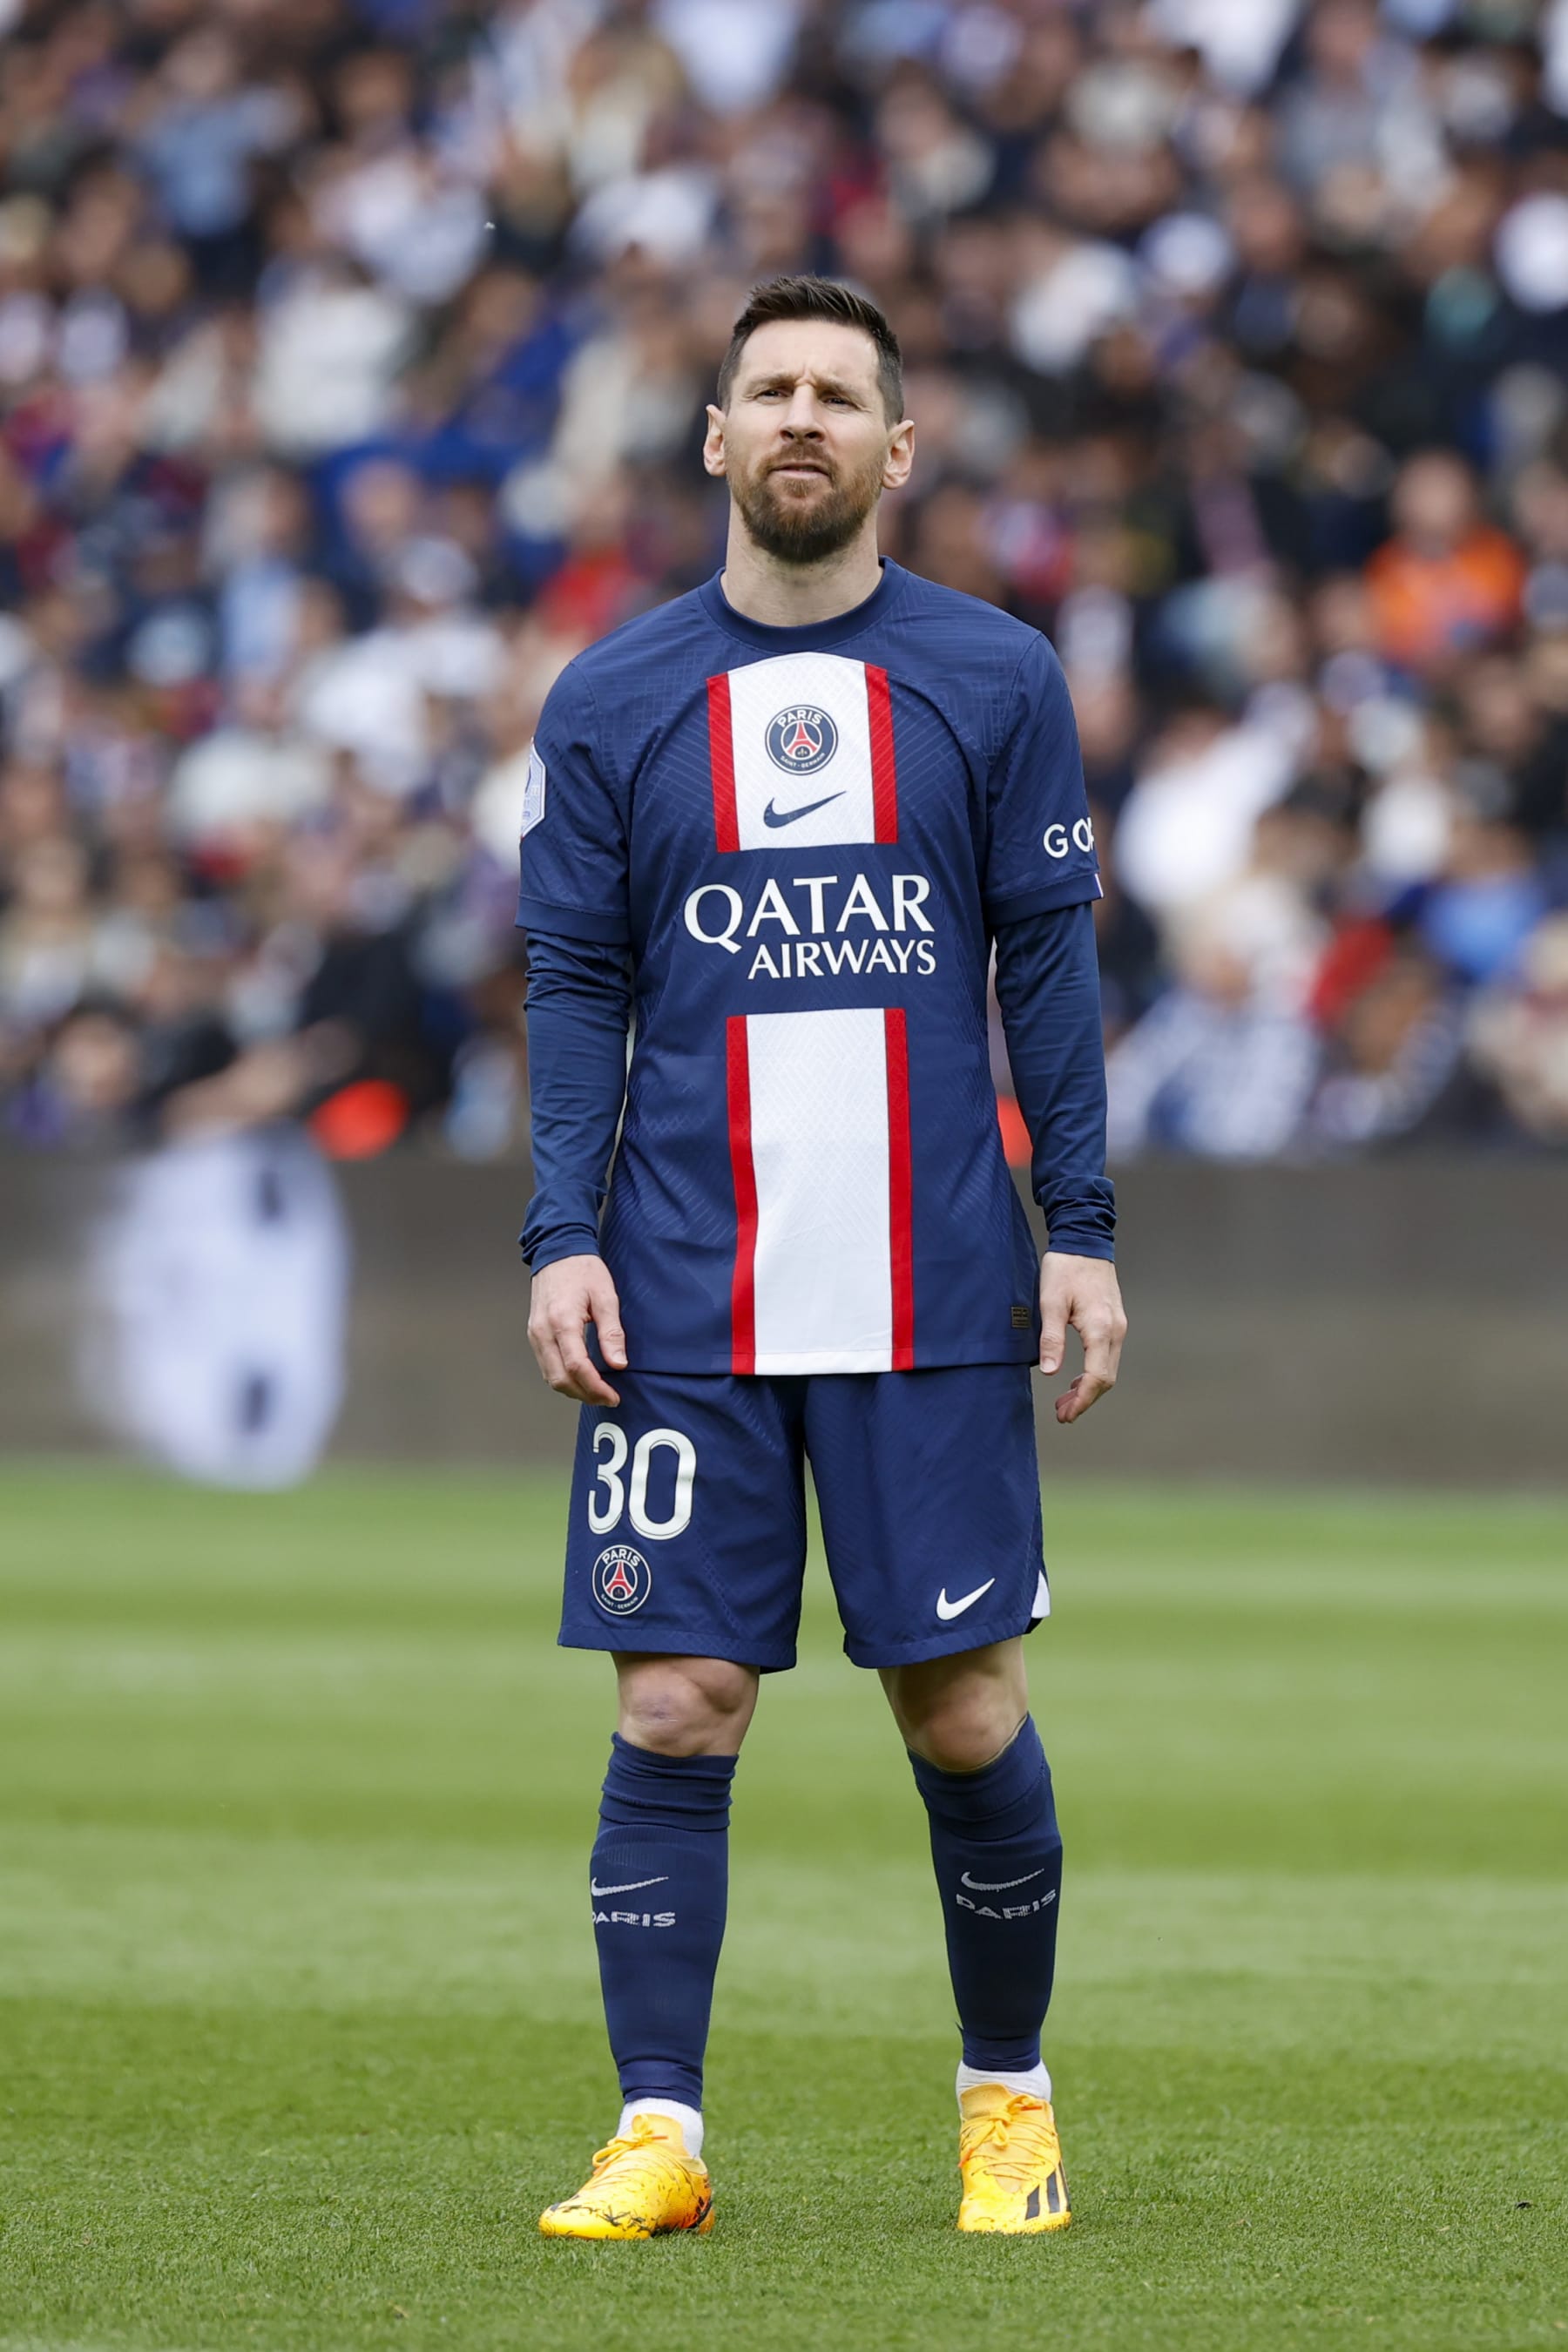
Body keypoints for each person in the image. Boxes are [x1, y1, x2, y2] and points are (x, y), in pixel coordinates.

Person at [517, 276, 1126, 2241]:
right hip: (682, 1282)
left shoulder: (992, 678)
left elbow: (1048, 964)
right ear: (712, 436)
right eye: (767, 388)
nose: (800, 418)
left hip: (931, 1278)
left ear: (895, 449)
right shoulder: (613, 697)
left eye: (837, 395)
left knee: (958, 1707)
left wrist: (1083, 1235)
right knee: (674, 1704)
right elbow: (571, 981)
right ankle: (659, 2135)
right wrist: (559, 1234)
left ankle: (1008, 2106)